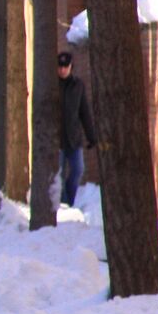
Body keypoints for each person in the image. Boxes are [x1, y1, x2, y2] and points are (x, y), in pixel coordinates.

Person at [57, 52, 99, 207]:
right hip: (57, 140)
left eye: (65, 67)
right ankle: (64, 204)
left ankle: (69, 201)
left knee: (78, 170)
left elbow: (84, 113)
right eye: (60, 67)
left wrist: (91, 136)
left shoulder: (78, 85)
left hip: (74, 138)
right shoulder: (52, 86)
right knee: (58, 175)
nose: (62, 70)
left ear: (71, 67)